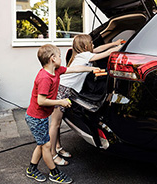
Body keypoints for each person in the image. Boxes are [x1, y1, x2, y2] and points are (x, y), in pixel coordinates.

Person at [25, 44, 99, 183]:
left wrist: (90, 68)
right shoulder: (45, 78)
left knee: (41, 145)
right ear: (53, 58)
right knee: (46, 146)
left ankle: (32, 169)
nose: (61, 58)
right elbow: (41, 101)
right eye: (59, 56)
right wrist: (60, 102)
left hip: (39, 117)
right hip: (35, 118)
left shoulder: (56, 71)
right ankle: (55, 173)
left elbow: (74, 69)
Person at [49, 34, 123, 166]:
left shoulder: (81, 54)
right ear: (85, 46)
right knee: (55, 124)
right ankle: (52, 154)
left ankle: (58, 147)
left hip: (65, 89)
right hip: (62, 90)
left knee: (58, 123)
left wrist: (113, 42)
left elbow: (100, 48)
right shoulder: (85, 56)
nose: (93, 45)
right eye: (91, 43)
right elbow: (105, 53)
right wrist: (121, 47)